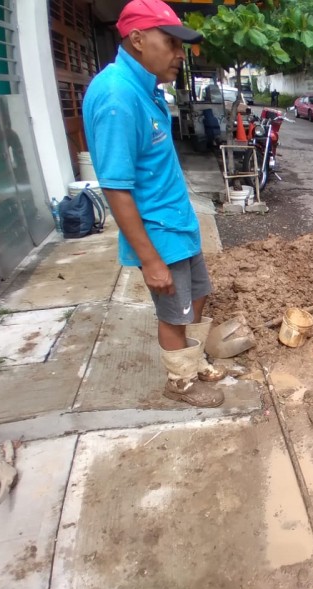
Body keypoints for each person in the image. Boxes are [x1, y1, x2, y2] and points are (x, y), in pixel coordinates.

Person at [83, 0, 227, 408]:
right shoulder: (117, 97)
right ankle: (179, 382)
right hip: (158, 234)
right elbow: (116, 188)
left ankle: (192, 360)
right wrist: (150, 260)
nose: (180, 56)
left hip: (178, 226)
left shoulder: (146, 89)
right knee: (173, 312)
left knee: (196, 295)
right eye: (172, 44)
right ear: (138, 39)